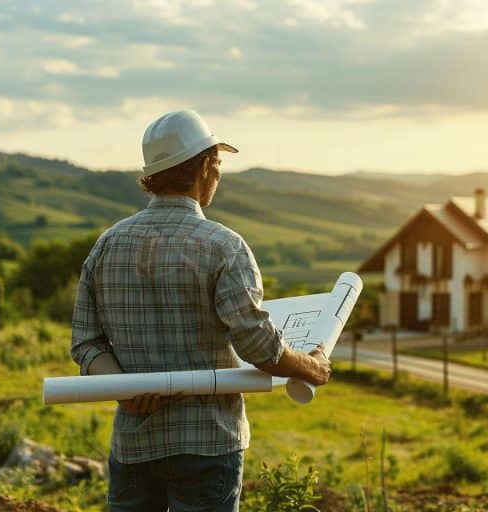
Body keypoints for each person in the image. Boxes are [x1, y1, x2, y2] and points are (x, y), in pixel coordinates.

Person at [70, 110, 332, 512]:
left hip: (135, 443)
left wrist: (122, 387)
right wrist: (311, 367)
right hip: (209, 444)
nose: (219, 174)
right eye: (218, 164)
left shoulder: (106, 245)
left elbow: (86, 342)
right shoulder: (223, 246)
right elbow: (259, 347)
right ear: (205, 167)